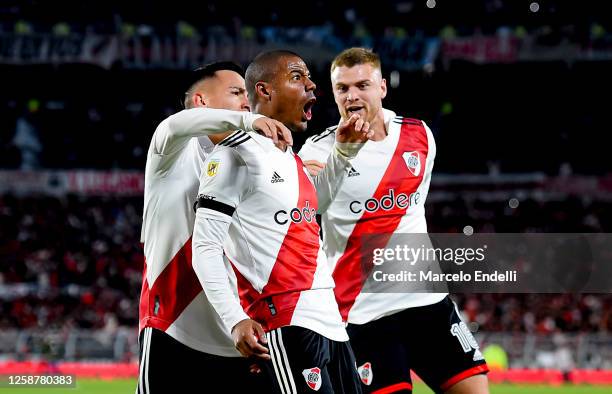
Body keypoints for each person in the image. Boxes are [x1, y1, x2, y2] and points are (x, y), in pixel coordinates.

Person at [299, 48, 490, 394]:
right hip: (363, 313)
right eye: (342, 88)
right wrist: (343, 154)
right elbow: (311, 209)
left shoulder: (419, 137)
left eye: (362, 85)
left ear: (382, 87)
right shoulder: (317, 150)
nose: (352, 95)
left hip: (429, 304)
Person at [192, 50, 370, 393]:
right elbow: (206, 245)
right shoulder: (234, 154)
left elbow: (316, 207)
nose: (312, 85)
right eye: (297, 77)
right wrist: (234, 320)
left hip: (332, 324)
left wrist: (344, 152)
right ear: (265, 91)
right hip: (286, 324)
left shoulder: (288, 155)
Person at [138, 61, 291, 393]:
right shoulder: (169, 149)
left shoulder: (259, 162)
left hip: (244, 337)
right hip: (174, 329)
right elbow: (179, 124)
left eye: (248, 96)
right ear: (201, 102)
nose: (247, 102)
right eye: (236, 92)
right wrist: (249, 120)